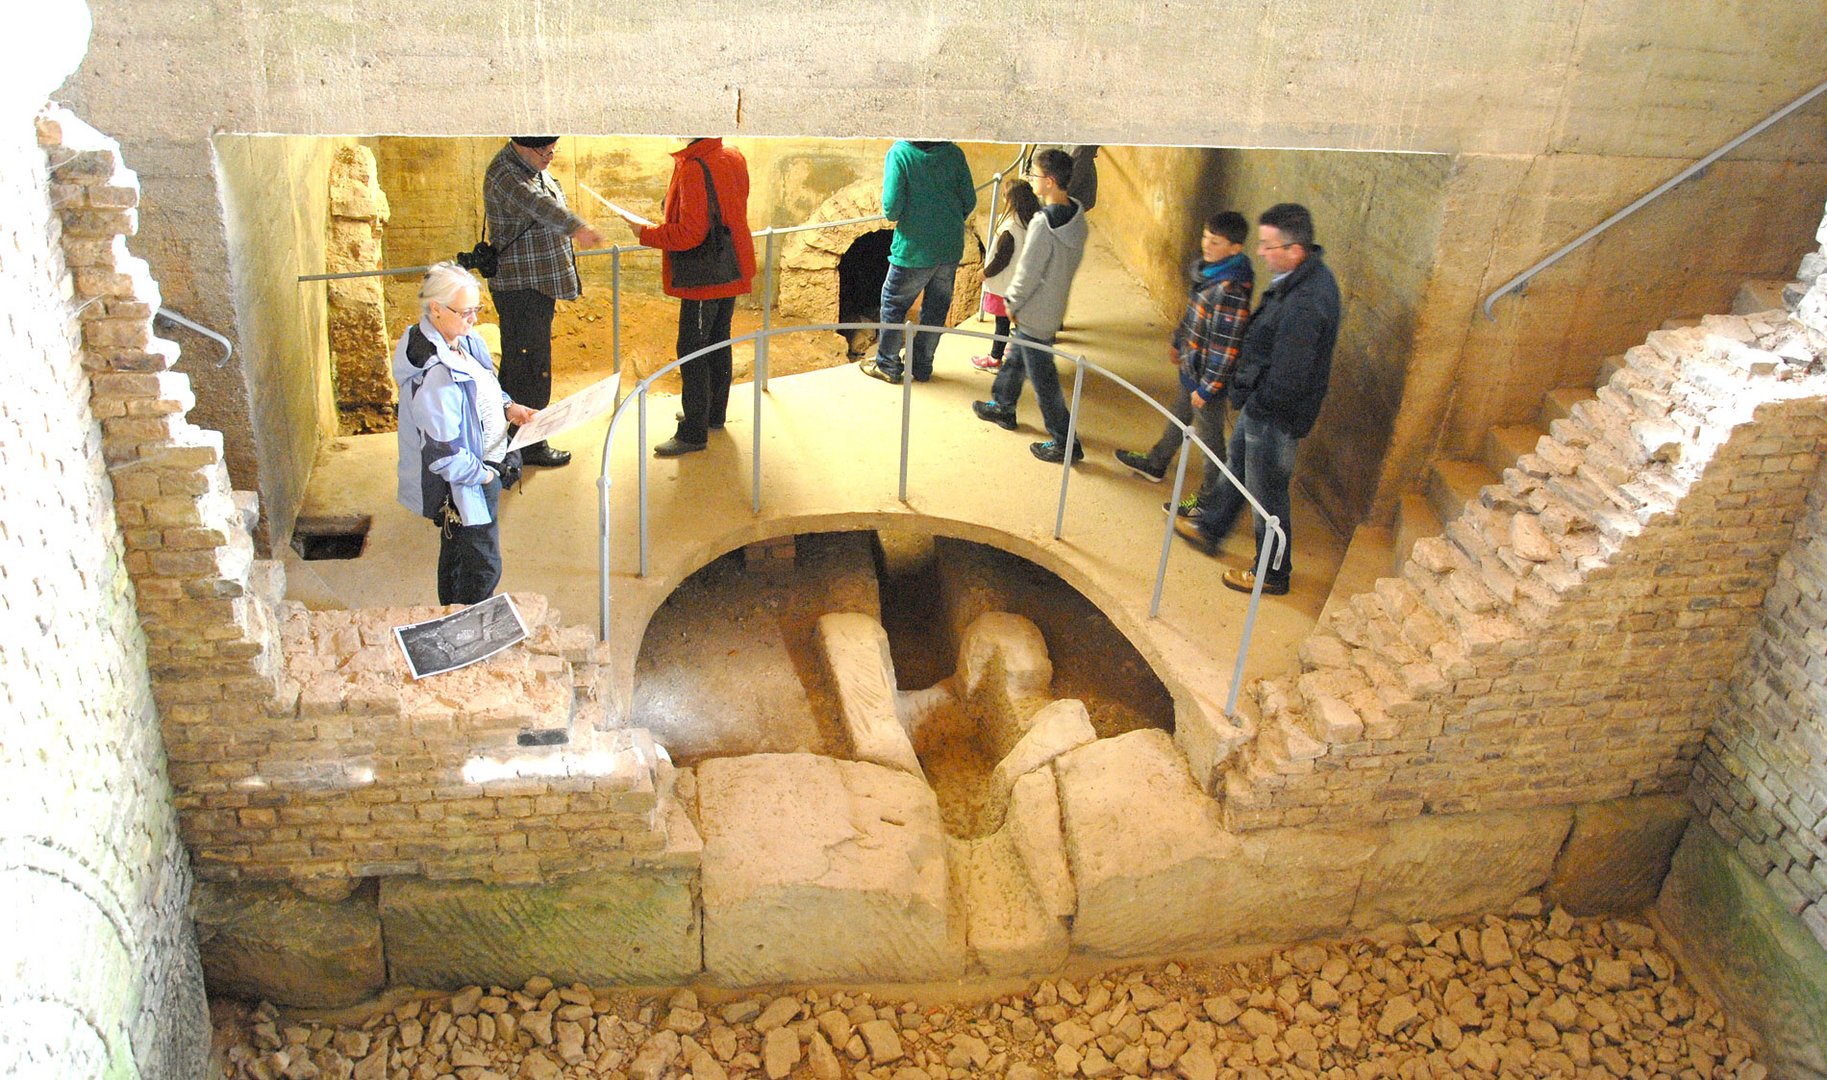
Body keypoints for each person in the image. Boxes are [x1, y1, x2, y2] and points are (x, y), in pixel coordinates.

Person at [1176, 203, 1340, 596]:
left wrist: (1258, 404)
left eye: (1268, 246)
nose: (1261, 253)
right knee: (1238, 465)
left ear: (1294, 249)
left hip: (1275, 414)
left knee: (1266, 493)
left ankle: (1272, 571)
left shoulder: (1307, 301)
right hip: (1263, 406)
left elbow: (1291, 373)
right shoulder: (1297, 279)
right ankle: (1212, 527)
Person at [394, 262, 537, 606]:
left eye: (476, 309)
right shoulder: (435, 375)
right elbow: (445, 455)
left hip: (482, 465)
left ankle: (451, 614)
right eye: (466, 312)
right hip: (467, 480)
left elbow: (483, 384)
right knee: (483, 565)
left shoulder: (463, 339)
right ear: (436, 310)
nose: (474, 320)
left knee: (458, 551)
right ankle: (467, 627)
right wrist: (488, 475)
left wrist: (507, 407)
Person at [613, 137, 757, 457]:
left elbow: (691, 233)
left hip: (706, 276)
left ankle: (693, 431)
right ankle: (711, 414)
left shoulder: (693, 167)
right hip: (731, 264)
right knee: (719, 340)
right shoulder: (732, 156)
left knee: (692, 349)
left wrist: (645, 233)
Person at [1115, 211, 1254, 517]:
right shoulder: (1210, 273)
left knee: (1210, 442)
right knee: (1178, 418)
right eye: (1206, 237)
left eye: (1215, 242)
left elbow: (1226, 349)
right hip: (1193, 370)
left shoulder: (1231, 292)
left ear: (1235, 248)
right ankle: (1156, 463)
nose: (1206, 245)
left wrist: (1207, 389)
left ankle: (1210, 501)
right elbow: (1194, 316)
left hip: (1206, 381)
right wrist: (1179, 341)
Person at [482, 136, 602, 469]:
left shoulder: (531, 164)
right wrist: (578, 227)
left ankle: (510, 443)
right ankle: (527, 446)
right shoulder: (506, 173)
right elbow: (539, 205)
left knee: (528, 363)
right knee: (528, 368)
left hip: (537, 284)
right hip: (520, 286)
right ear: (521, 145)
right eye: (544, 151)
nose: (550, 157)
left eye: (553, 149)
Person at [970, 148, 1090, 463]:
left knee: (1044, 380)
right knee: (1016, 358)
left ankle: (1066, 441)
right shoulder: (1077, 217)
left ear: (1050, 182)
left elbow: (1028, 270)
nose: (1030, 180)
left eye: (1034, 175)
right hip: (1053, 306)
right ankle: (1003, 406)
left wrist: (1013, 300)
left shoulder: (1042, 223)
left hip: (1035, 310)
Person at [859, 140, 977, 384]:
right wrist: (946, 220)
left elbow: (891, 209)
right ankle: (922, 366)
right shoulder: (954, 153)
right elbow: (969, 201)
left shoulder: (900, 153)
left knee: (893, 303)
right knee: (936, 309)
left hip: (913, 249)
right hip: (949, 246)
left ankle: (888, 364)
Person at [971, 177, 1042, 373]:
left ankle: (995, 358)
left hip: (1007, 286)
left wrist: (984, 273)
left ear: (1011, 201)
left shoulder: (1010, 228)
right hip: (1026, 284)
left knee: (1002, 324)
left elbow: (1001, 260)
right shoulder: (1034, 222)